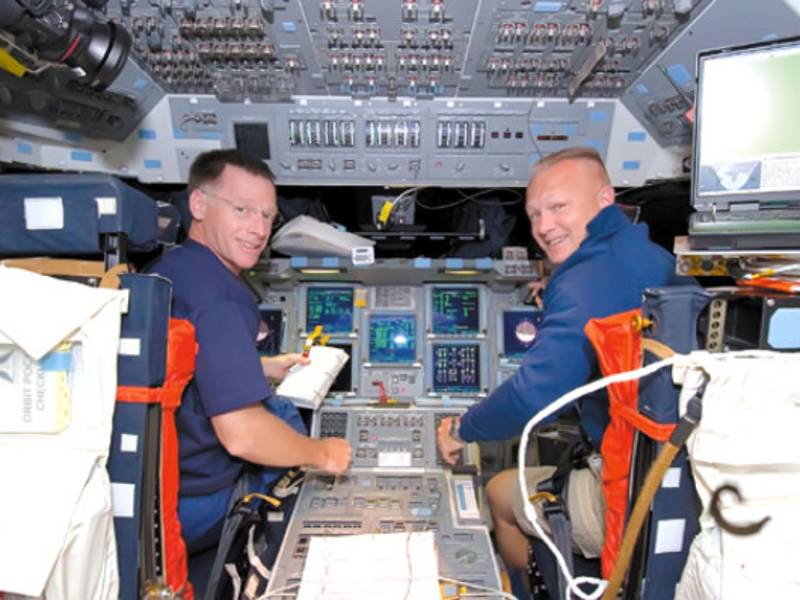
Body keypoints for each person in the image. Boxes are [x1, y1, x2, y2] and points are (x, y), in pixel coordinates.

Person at [436, 147, 690, 576]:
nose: (544, 226)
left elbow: (536, 392)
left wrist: (463, 430)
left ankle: (544, 582)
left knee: (499, 494)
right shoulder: (643, 253)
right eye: (534, 214)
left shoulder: (589, 275)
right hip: (669, 480)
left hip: (627, 493)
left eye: (558, 207)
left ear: (606, 199)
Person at [150, 149, 352, 552]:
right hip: (194, 501)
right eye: (242, 209)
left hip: (155, 485)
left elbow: (185, 368)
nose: (258, 230)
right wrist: (322, 453)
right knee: (296, 448)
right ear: (199, 204)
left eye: (266, 216)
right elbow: (243, 437)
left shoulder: (173, 268)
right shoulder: (222, 298)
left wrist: (262, 367)